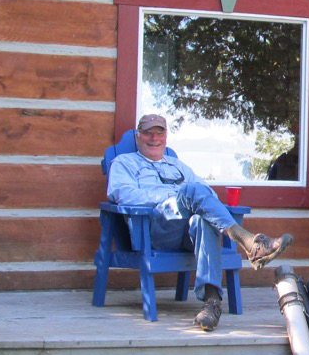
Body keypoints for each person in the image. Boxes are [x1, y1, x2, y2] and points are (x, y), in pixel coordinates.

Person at [107, 114, 294, 332]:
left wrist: (187, 197)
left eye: (159, 133)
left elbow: (208, 194)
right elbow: (123, 194)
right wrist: (172, 196)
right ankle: (249, 242)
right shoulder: (124, 163)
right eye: (148, 133)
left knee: (202, 220)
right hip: (154, 230)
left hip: (186, 233)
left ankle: (211, 304)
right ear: (138, 136)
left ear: (166, 137)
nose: (154, 138)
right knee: (190, 191)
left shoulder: (178, 166)